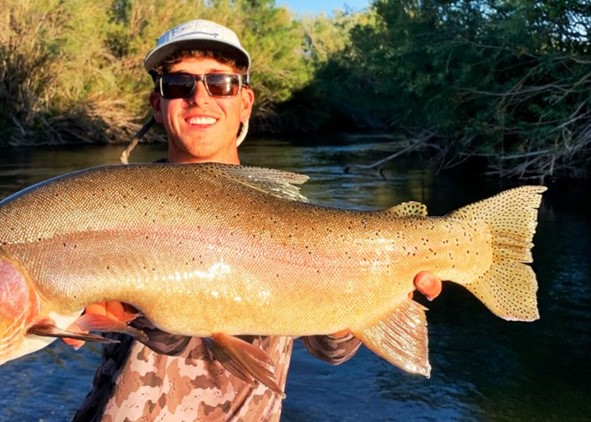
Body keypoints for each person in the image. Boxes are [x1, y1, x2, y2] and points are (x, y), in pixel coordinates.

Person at [73, 19, 442, 421]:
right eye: (179, 84)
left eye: (221, 83)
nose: (200, 97)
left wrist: (375, 294)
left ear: (245, 101)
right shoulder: (115, 206)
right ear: (158, 106)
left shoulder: (287, 214)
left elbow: (330, 349)